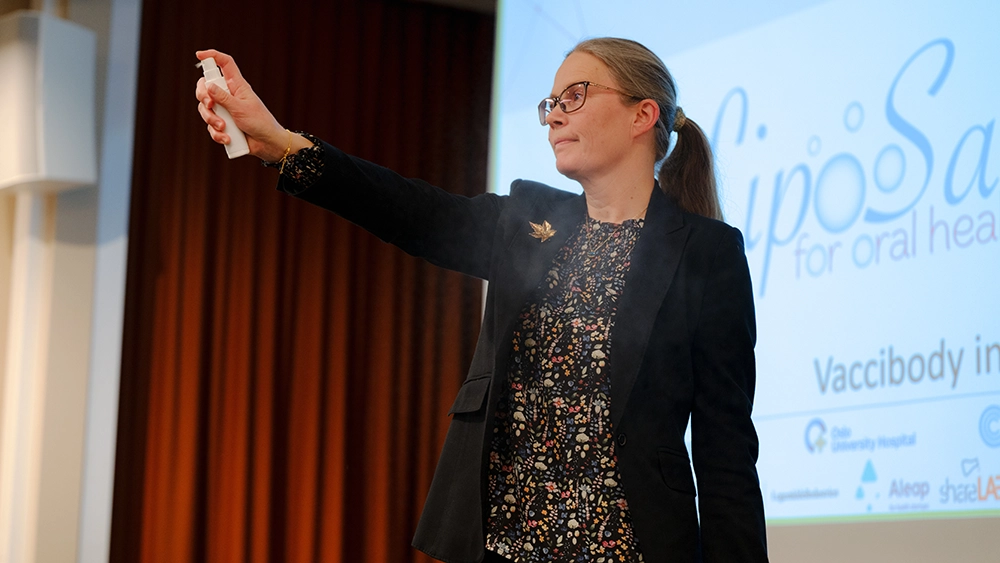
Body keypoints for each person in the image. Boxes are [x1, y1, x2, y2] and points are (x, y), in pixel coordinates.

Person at [195, 37, 767, 563]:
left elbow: (726, 452)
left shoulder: (706, 253)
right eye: (550, 102)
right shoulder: (527, 218)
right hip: (504, 546)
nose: (555, 114)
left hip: (629, 549)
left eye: (576, 94)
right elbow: (410, 210)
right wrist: (281, 143)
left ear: (644, 115)